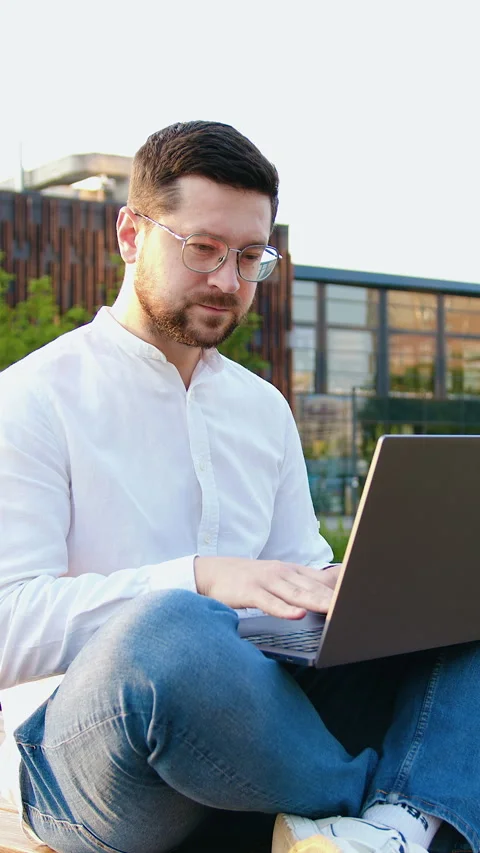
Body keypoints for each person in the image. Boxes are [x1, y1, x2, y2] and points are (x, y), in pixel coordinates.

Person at [0, 120, 477, 853]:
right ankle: (403, 807)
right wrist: (201, 580)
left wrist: (354, 591)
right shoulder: (31, 400)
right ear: (131, 233)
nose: (228, 280)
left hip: (261, 726)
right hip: (85, 758)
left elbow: (297, 572)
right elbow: (8, 625)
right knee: (174, 629)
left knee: (459, 601)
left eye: (251, 257)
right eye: (204, 249)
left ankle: (388, 830)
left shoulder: (262, 408)